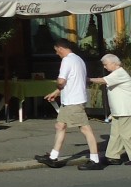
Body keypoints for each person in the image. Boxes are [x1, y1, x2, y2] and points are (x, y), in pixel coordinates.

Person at [37, 38, 103, 169]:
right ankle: (52, 157)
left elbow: (62, 81)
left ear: (60, 48)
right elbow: (74, 80)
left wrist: (58, 85)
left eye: (56, 51)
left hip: (73, 101)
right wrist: (57, 92)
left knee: (85, 128)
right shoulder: (79, 60)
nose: (57, 53)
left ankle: (95, 160)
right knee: (60, 126)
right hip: (72, 100)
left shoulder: (66, 61)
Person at [90, 53, 131, 166]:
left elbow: (103, 80)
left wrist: (87, 79)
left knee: (126, 134)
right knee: (115, 134)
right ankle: (112, 156)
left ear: (114, 63)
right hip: (118, 110)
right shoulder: (116, 73)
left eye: (106, 64)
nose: (104, 67)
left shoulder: (119, 73)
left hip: (125, 110)